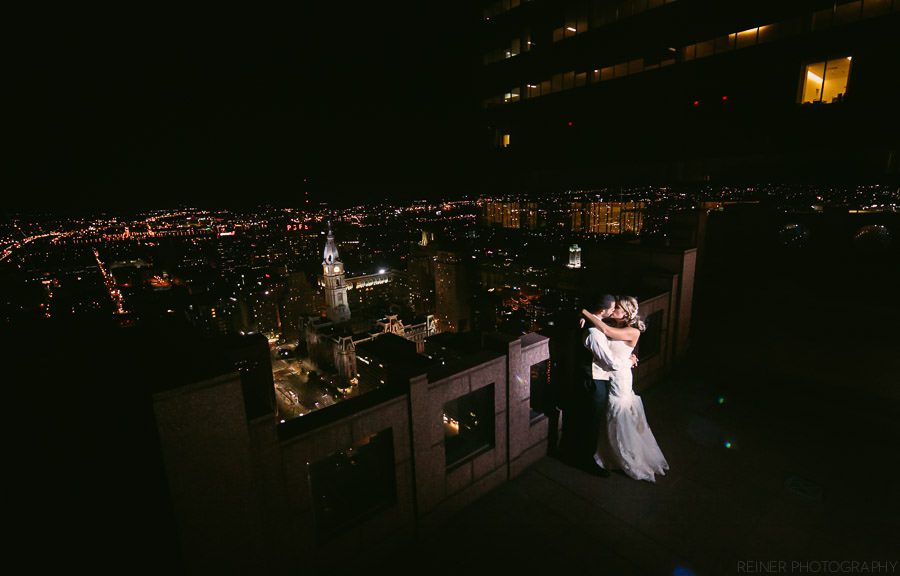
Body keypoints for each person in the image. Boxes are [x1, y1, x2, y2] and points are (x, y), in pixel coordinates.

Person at [582, 296, 669, 482]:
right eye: (614, 308)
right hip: (610, 373)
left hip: (619, 376)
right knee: (609, 412)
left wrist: (584, 312)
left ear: (627, 313)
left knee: (617, 411)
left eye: (618, 309)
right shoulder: (616, 324)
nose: (613, 311)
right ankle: (609, 449)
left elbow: (605, 331)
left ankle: (625, 455)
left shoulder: (632, 331)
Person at [560, 294, 626, 476]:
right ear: (603, 310)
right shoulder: (594, 333)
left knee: (588, 419)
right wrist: (627, 360)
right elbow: (611, 362)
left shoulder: (596, 325)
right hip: (592, 382)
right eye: (612, 308)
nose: (614, 311)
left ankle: (580, 456)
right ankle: (585, 460)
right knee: (590, 421)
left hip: (592, 379)